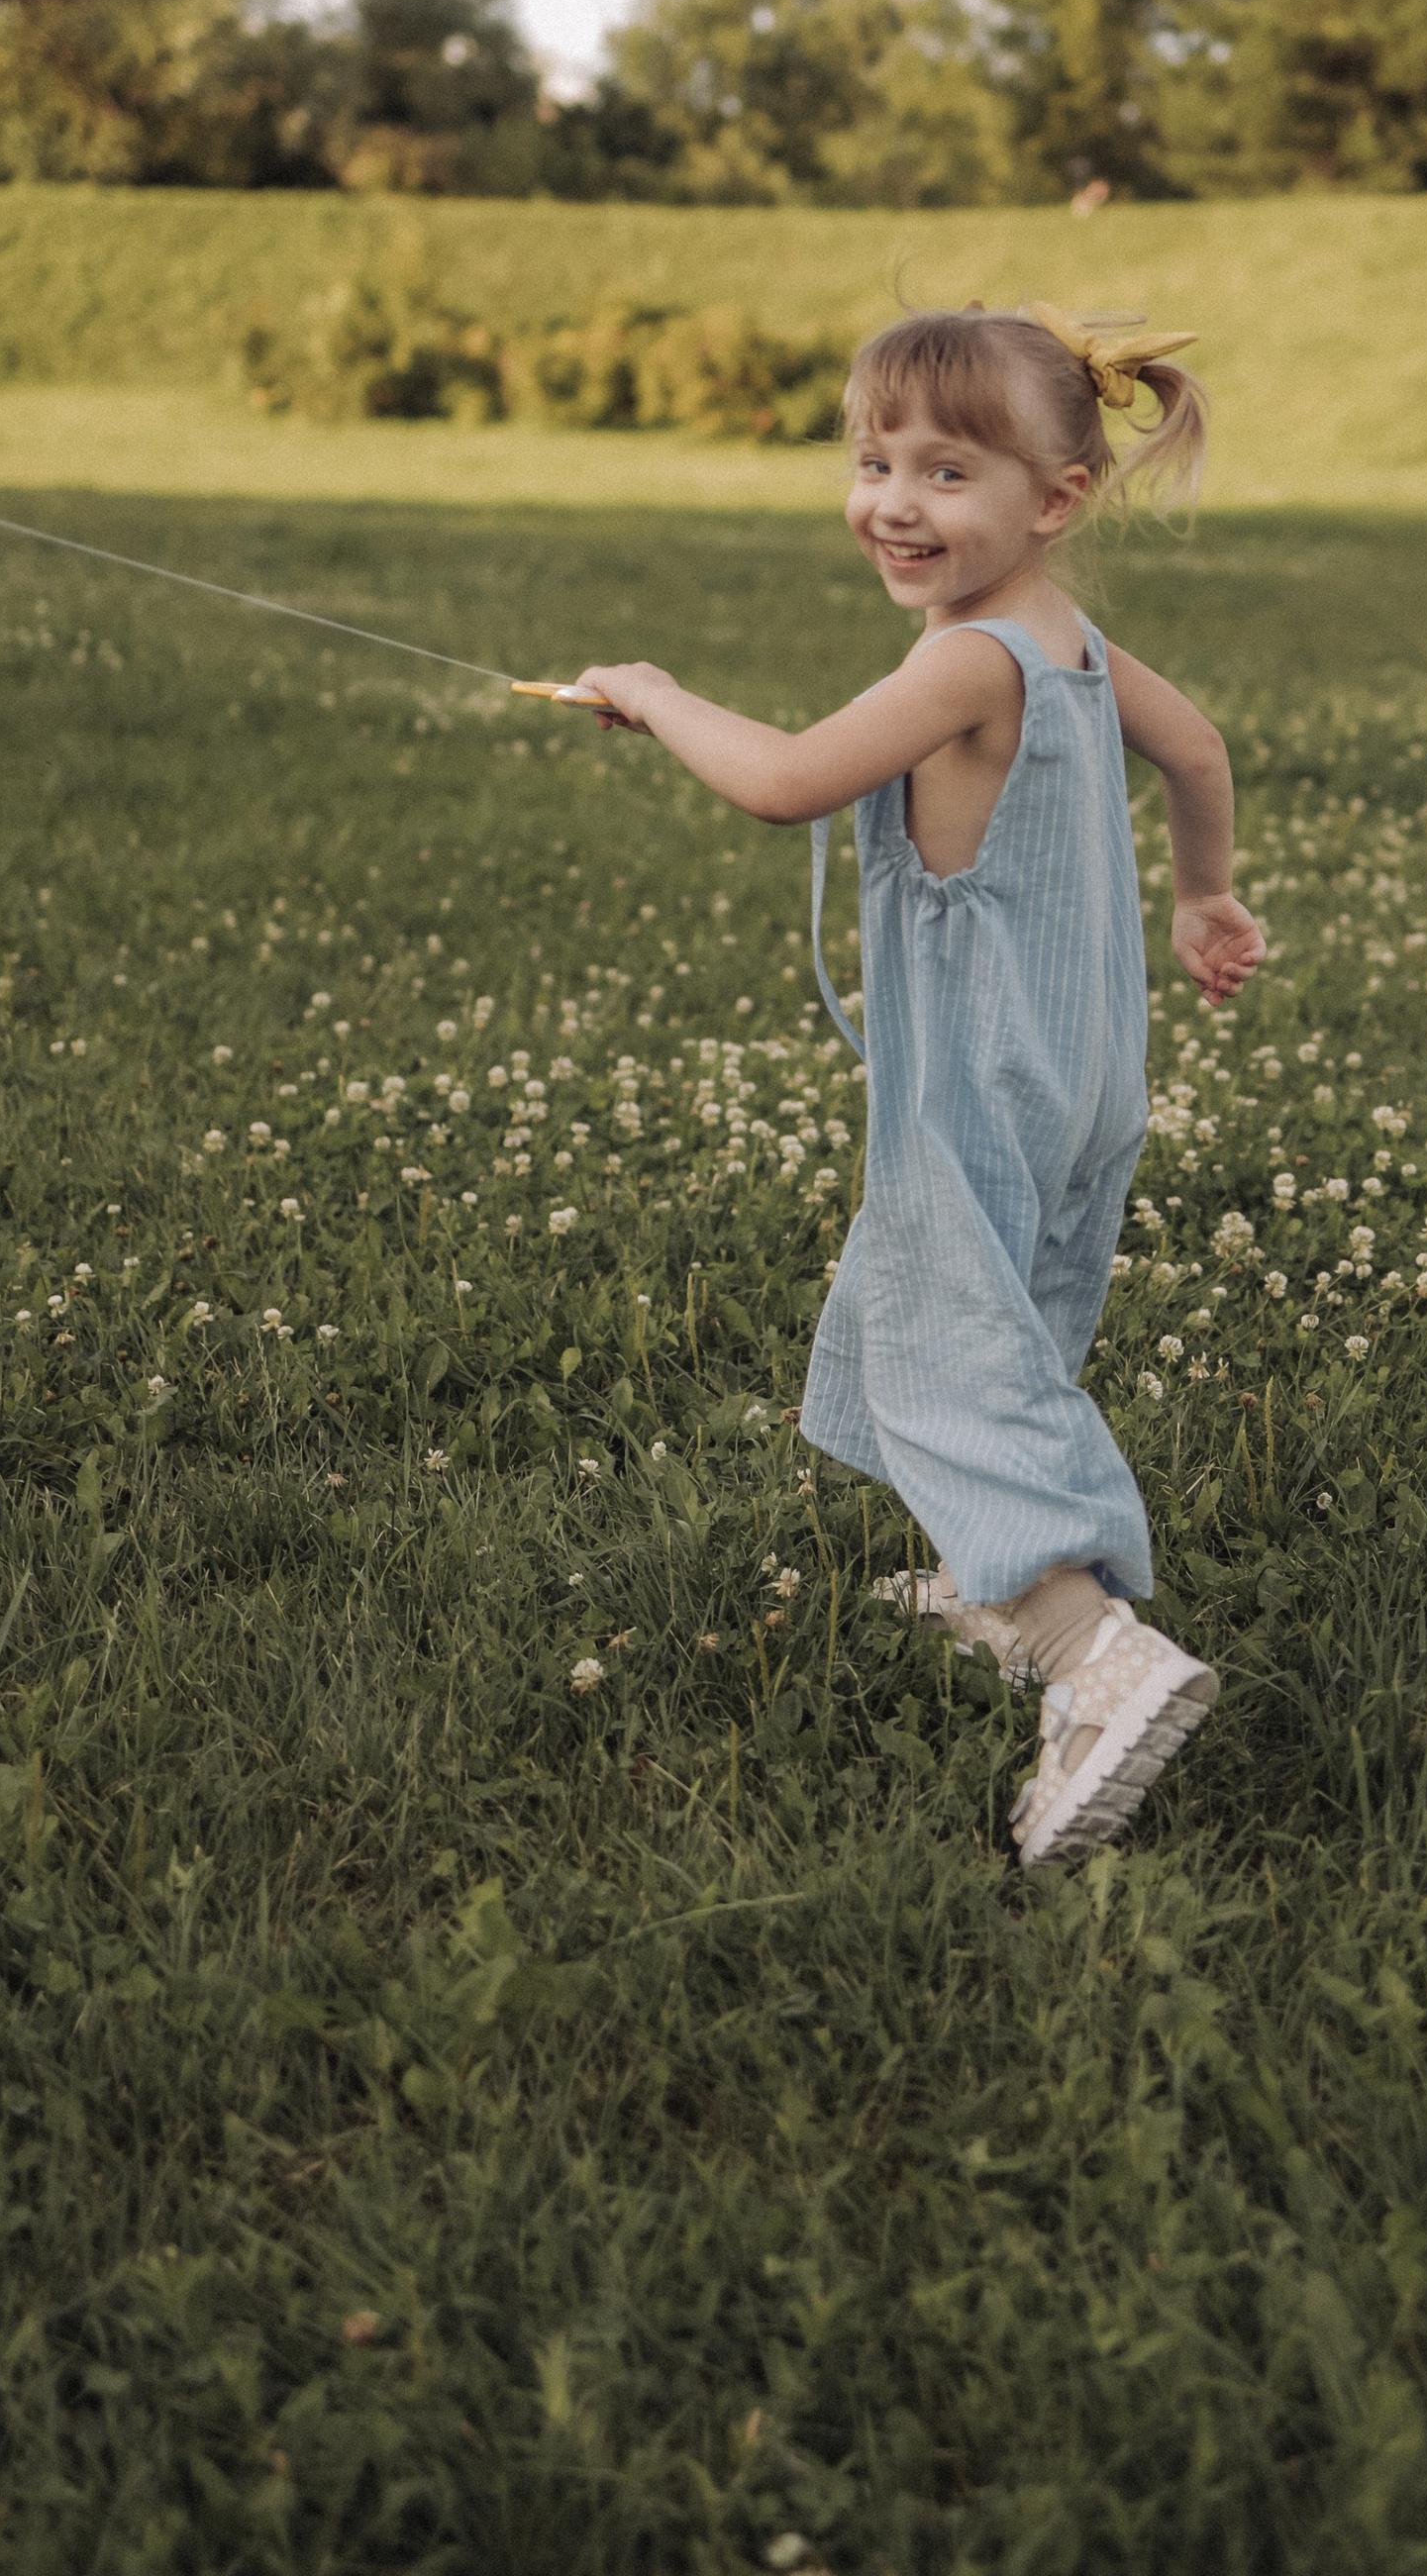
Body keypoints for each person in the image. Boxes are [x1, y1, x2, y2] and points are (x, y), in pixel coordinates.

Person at [572, 302, 1264, 1865]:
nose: (894, 499)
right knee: (992, 1314)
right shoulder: (1069, 640)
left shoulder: (965, 661)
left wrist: (658, 693)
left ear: (1055, 498)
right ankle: (982, 1566)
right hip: (1085, 1070)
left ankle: (1091, 1650)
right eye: (874, 458)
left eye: (948, 471)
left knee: (947, 1351)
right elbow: (1202, 750)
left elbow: (785, 784)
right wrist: (1201, 898)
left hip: (978, 1081)